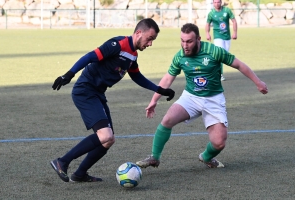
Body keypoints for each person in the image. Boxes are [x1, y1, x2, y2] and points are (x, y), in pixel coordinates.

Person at [50, 18, 175, 183]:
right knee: (105, 136)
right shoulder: (118, 44)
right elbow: (90, 56)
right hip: (85, 91)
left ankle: (79, 174)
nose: (150, 43)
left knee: (108, 140)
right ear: (139, 33)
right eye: (149, 38)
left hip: (98, 94)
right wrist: (69, 74)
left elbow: (136, 76)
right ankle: (62, 161)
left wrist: (160, 90)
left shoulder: (133, 55)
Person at [136, 23, 268, 169]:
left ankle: (206, 156)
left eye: (189, 41)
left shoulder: (214, 51)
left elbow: (239, 65)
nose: (185, 45)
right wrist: (154, 100)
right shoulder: (179, 56)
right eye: (182, 41)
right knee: (167, 120)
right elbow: (167, 78)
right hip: (191, 97)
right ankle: (154, 157)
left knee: (219, 143)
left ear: (198, 39)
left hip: (214, 99)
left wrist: (258, 82)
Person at [205, 0, 237, 81]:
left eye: (218, 2)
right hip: (217, 37)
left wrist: (235, 32)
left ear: (221, 2)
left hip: (227, 37)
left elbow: (234, 21)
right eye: (215, 2)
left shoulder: (227, 10)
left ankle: (215, 71)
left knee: (224, 56)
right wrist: (207, 33)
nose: (216, 4)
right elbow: (208, 23)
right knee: (220, 55)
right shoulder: (211, 13)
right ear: (213, 3)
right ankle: (220, 74)